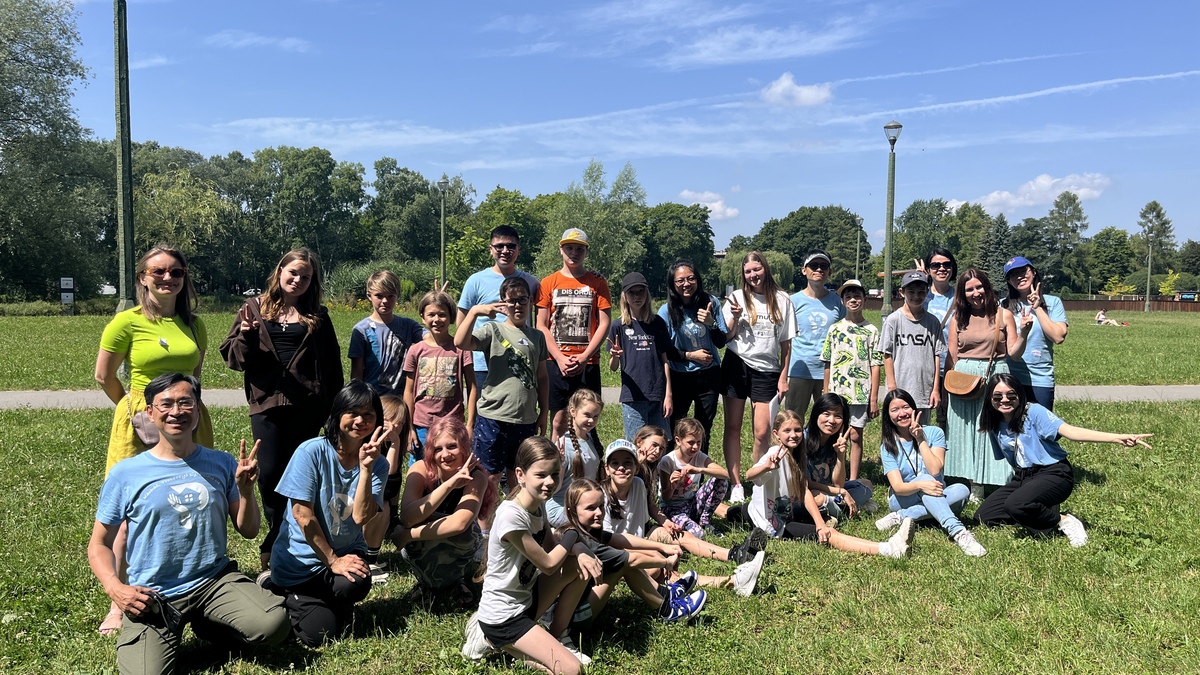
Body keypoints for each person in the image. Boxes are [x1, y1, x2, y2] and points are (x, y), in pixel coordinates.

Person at [88, 373, 289, 673]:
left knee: (274, 623)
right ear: (150, 412)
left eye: (185, 402)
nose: (176, 411)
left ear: (198, 409)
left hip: (213, 580)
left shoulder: (221, 463)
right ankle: (181, 630)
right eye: (166, 404)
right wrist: (116, 589)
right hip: (154, 594)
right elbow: (99, 544)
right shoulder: (126, 474)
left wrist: (246, 491)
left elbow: (248, 531)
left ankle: (210, 622)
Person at [94, 245, 214, 635]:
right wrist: (133, 408)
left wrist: (185, 410)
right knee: (128, 514)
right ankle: (120, 600)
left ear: (184, 278)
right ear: (143, 278)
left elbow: (195, 376)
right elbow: (104, 376)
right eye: (158, 271)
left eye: (176, 272)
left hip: (188, 418)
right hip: (139, 422)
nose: (167, 278)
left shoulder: (194, 324)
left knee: (190, 499)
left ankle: (190, 581)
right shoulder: (126, 322)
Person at [221, 248, 345, 574]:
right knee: (271, 475)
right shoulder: (253, 308)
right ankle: (277, 538)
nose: (298, 280)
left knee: (302, 477)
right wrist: (247, 335)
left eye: (306, 276)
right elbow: (234, 359)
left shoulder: (318, 315)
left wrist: (335, 412)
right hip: (267, 404)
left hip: (308, 406)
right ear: (280, 272)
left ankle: (291, 542)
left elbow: (332, 366)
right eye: (293, 273)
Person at [264, 381, 390, 647]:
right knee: (319, 635)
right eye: (352, 412)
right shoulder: (311, 452)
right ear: (337, 414)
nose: (360, 421)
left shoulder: (378, 463)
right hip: (301, 564)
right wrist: (332, 560)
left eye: (368, 414)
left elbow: (361, 517)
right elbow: (302, 516)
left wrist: (366, 470)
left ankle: (326, 602)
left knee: (356, 583)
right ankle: (279, 590)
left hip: (344, 554)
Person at [462, 437, 600, 672]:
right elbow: (549, 564)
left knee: (578, 565)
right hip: (504, 616)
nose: (550, 482)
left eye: (554, 474)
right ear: (520, 474)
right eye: (541, 475)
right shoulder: (511, 516)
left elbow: (552, 546)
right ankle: (487, 636)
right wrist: (573, 535)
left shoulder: (538, 504)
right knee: (573, 670)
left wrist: (578, 549)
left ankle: (556, 636)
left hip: (527, 600)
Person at [976, 374, 1152, 547]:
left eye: (1011, 395)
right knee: (985, 516)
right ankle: (1035, 514)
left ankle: (1065, 521)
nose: (1004, 400)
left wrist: (1117, 438)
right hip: (1024, 476)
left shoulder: (1034, 412)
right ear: (990, 399)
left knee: (1016, 504)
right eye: (997, 396)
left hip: (1053, 473)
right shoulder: (994, 422)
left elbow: (1071, 432)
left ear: (1020, 395)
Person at [728, 410, 915, 558]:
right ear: (776, 434)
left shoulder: (796, 457)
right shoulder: (774, 454)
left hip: (766, 511)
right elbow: (750, 475)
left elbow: (805, 491)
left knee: (729, 512)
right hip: (773, 525)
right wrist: (766, 467)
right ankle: (889, 549)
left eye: (797, 430)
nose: (794, 435)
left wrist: (819, 523)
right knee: (830, 534)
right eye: (787, 431)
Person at [600, 438, 765, 596]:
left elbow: (645, 516)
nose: (621, 468)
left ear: (636, 467)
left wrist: (665, 523)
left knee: (680, 535)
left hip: (638, 538)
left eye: (627, 463)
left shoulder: (638, 484)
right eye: (615, 463)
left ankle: (735, 554)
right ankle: (733, 582)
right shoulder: (601, 497)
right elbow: (611, 541)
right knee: (658, 569)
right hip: (614, 551)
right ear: (606, 469)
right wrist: (658, 550)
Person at [456, 276, 549, 541]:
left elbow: (542, 377)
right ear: (503, 303)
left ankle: (515, 528)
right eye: (512, 300)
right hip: (493, 418)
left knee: (519, 477)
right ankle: (484, 535)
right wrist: (475, 311)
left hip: (525, 419)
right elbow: (461, 342)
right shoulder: (493, 331)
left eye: (523, 300)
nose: (517, 305)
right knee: (488, 478)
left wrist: (543, 412)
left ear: (530, 302)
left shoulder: (537, 336)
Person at [559, 479, 711, 621]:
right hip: (574, 617)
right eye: (590, 508)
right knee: (625, 564)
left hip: (577, 607)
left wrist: (663, 546)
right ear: (572, 511)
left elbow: (621, 538)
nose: (599, 512)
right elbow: (632, 559)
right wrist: (666, 563)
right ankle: (669, 610)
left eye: (600, 506)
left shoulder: (584, 530)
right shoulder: (583, 541)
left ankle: (666, 593)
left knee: (623, 562)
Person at [944, 268, 1030, 493]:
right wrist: (946, 389)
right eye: (969, 289)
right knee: (966, 430)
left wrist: (1024, 333)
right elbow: (952, 357)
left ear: (987, 287)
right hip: (964, 378)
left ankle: (1001, 479)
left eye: (979, 287)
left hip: (994, 376)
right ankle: (974, 484)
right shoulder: (957, 318)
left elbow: (1015, 353)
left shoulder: (1003, 315)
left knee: (994, 427)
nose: (976, 293)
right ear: (962, 294)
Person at [392, 416, 496, 603]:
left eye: (452, 446)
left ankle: (455, 580)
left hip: (451, 540)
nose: (445, 454)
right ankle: (427, 583)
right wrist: (449, 485)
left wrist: (408, 535)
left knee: (467, 534)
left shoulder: (476, 477)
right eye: (438, 449)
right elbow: (407, 517)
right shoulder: (420, 469)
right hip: (422, 545)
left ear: (464, 447)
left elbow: (460, 523)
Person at [721, 251, 798, 502]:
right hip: (737, 364)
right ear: (743, 274)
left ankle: (758, 480)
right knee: (733, 426)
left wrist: (783, 377)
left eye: (757, 269)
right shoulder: (736, 298)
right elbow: (726, 337)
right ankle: (736, 484)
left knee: (763, 432)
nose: (753, 275)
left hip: (768, 370)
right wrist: (734, 317)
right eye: (748, 271)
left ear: (765, 269)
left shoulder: (783, 299)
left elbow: (786, 344)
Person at [876, 389, 986, 557]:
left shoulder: (934, 433)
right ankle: (958, 532)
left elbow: (935, 470)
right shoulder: (888, 446)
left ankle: (901, 516)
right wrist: (921, 484)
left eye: (905, 407)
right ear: (888, 416)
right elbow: (898, 487)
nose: (902, 413)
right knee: (926, 479)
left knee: (962, 490)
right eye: (895, 410)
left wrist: (920, 438)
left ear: (914, 408)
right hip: (904, 497)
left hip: (936, 492)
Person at [536, 228, 612, 442]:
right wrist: (560, 358)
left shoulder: (597, 282)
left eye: (579, 249)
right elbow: (541, 324)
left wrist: (585, 356)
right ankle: (556, 460)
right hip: (555, 362)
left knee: (587, 420)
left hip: (588, 362)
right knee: (558, 421)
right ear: (561, 250)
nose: (574, 253)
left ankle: (587, 460)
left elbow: (604, 322)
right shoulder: (548, 282)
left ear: (586, 252)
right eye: (569, 248)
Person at [457, 226, 541, 391]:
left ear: (518, 250)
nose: (505, 251)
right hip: (484, 363)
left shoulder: (531, 282)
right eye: (499, 246)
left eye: (511, 246)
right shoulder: (475, 281)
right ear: (491, 249)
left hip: (521, 359)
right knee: (484, 406)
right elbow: (461, 323)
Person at [659, 259, 729, 454]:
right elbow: (665, 350)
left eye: (691, 278)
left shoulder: (711, 303)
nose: (686, 284)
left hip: (709, 375)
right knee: (674, 427)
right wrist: (691, 355)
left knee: (703, 429)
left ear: (697, 279)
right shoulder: (666, 311)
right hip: (679, 375)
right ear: (672, 284)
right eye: (680, 280)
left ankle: (700, 469)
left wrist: (711, 323)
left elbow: (721, 341)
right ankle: (671, 468)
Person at [820, 279, 882, 480]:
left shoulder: (872, 330)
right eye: (848, 297)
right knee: (834, 434)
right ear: (842, 301)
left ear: (865, 299)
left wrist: (873, 398)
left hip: (860, 393)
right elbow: (827, 362)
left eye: (857, 296)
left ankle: (853, 479)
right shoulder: (835, 329)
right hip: (837, 393)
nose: (853, 300)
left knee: (855, 435)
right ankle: (832, 475)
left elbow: (875, 364)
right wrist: (826, 391)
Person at [403, 289, 477, 459]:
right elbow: (408, 390)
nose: (437, 319)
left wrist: (470, 424)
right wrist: (409, 427)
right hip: (422, 425)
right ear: (423, 317)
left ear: (451, 317)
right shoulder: (416, 350)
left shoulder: (461, 349)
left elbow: (472, 387)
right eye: (431, 314)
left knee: (450, 464)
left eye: (442, 315)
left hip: (452, 424)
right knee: (421, 468)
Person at [607, 272, 675, 440]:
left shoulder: (657, 323)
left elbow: (665, 361)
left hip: (657, 394)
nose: (637, 296)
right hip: (633, 397)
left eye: (641, 291)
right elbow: (613, 367)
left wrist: (668, 394)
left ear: (647, 294)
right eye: (632, 292)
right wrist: (615, 356)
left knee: (659, 444)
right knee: (637, 443)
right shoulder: (618, 326)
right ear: (624, 296)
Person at [1001, 256, 1068, 410]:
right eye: (1013, 275)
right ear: (1009, 281)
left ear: (1033, 272)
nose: (1019, 277)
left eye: (1023, 271)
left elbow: (1058, 337)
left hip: (1040, 379)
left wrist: (1037, 307)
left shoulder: (1053, 302)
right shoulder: (1002, 306)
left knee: (1040, 423)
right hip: (1008, 377)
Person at [881, 271, 946, 424]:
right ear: (902, 292)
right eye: (911, 292)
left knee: (921, 430)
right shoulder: (893, 320)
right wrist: (892, 386)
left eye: (921, 292)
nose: (916, 296)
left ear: (927, 292)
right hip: (900, 388)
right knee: (898, 430)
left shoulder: (933, 322)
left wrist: (936, 389)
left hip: (924, 390)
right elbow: (887, 354)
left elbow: (937, 356)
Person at [786, 250, 845, 420]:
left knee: (829, 420)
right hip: (800, 370)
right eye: (813, 265)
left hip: (829, 370)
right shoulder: (792, 301)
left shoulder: (838, 302)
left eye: (824, 266)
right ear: (804, 270)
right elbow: (784, 338)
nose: (819, 269)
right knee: (793, 420)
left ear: (829, 271)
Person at [799, 393, 875, 522]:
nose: (832, 420)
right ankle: (840, 510)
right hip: (807, 492)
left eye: (838, 416)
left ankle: (833, 507)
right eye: (826, 414)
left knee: (867, 485)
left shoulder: (836, 441)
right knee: (818, 497)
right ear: (816, 414)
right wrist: (842, 492)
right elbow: (807, 484)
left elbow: (839, 484)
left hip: (830, 490)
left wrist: (840, 455)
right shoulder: (802, 440)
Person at [348, 270, 424, 396]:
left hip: (401, 398)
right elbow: (356, 373)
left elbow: (433, 338)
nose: (385, 301)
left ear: (398, 295)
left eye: (390, 296)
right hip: (373, 398)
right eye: (379, 296)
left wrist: (435, 307)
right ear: (369, 295)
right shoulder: (361, 330)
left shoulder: (409, 326)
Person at [361, 395, 413, 580]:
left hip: (378, 501)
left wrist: (395, 443)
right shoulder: (366, 443)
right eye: (390, 420)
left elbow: (391, 483)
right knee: (379, 507)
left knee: (384, 507)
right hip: (355, 502)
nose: (395, 427)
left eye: (400, 423)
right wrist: (394, 443)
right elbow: (386, 481)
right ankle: (363, 558)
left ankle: (370, 559)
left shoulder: (393, 444)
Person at [660, 418, 731, 537]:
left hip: (692, 503)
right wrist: (672, 486)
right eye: (691, 442)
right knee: (698, 533)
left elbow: (725, 474)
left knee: (721, 480)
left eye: (699, 442)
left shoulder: (699, 456)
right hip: (673, 508)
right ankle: (692, 525)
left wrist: (699, 469)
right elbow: (665, 497)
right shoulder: (668, 461)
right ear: (678, 441)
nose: (695, 447)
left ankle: (704, 520)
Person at [548, 388, 604, 527]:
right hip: (562, 508)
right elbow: (553, 489)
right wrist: (559, 465)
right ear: (573, 411)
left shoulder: (590, 438)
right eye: (587, 415)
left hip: (585, 505)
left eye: (596, 416)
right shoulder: (563, 445)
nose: (591, 420)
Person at [920, 248, 958, 431]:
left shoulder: (960, 296)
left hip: (952, 366)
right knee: (920, 415)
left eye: (946, 264)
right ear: (928, 269)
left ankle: (947, 448)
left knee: (949, 418)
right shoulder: (921, 295)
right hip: (925, 366)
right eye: (935, 265)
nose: (941, 268)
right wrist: (921, 280)